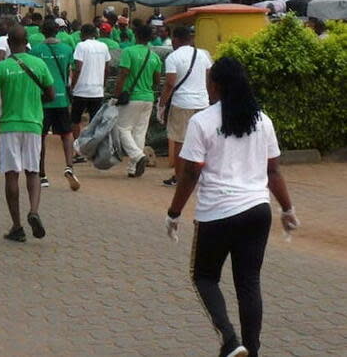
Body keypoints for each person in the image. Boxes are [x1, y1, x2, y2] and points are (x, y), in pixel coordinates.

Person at [166, 57, 298, 357]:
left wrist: (174, 213)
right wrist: (287, 210)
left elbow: (190, 173)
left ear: (216, 85)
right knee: (249, 282)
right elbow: (273, 171)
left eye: (209, 81)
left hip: (217, 213)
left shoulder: (202, 122)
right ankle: (251, 350)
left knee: (204, 276)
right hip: (257, 211)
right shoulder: (262, 120)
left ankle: (229, 340)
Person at [0, 26, 54, 243]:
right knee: (33, 171)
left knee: (11, 174)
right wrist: (34, 104)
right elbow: (51, 94)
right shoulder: (40, 64)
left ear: (9, 43)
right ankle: (33, 210)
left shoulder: (2, 67)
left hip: (10, 126)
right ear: (27, 42)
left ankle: (17, 226)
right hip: (33, 124)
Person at [29, 21, 80, 191]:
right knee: (66, 134)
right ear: (58, 31)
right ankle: (69, 166)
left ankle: (42, 175)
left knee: (41, 136)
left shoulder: (36, 51)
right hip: (62, 99)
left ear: (42, 31)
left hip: (43, 99)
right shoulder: (67, 49)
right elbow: (73, 70)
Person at [159, 26, 212, 187]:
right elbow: (209, 77)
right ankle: (202, 176)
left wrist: (162, 105)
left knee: (179, 141)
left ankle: (179, 177)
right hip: (203, 103)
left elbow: (169, 83)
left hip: (181, 103)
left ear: (175, 40)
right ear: (191, 39)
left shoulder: (173, 58)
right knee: (202, 142)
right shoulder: (203, 55)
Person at [115, 25, 162, 178]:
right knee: (140, 132)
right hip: (148, 98)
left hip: (131, 97)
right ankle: (133, 169)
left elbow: (123, 74)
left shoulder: (128, 52)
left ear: (135, 35)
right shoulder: (154, 56)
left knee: (122, 128)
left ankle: (137, 156)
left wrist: (117, 94)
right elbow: (156, 80)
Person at [70, 24, 111, 140]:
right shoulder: (103, 46)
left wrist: (72, 85)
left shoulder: (81, 46)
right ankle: (91, 146)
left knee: (75, 120)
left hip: (81, 90)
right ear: (95, 34)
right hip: (97, 91)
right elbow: (107, 68)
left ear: (82, 34)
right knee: (94, 120)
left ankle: (78, 146)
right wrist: (103, 84)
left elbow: (78, 68)